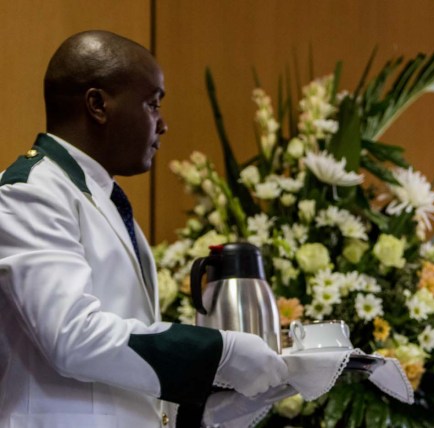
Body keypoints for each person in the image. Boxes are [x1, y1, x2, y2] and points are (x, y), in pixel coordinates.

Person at [0, 30, 289, 428]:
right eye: (153, 104)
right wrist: (220, 353)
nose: (163, 125)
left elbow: (123, 372)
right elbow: (73, 337)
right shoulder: (30, 192)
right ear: (98, 105)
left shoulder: (104, 199)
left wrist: (220, 394)